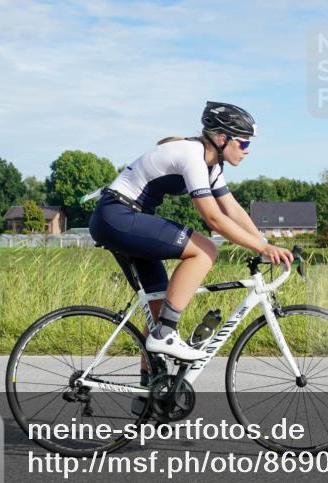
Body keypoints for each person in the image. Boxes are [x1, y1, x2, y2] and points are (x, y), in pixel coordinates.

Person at [88, 102, 294, 363]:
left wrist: (264, 244)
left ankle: (149, 392)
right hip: (118, 215)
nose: (247, 150)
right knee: (206, 249)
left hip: (123, 218)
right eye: (243, 143)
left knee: (159, 305)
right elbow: (213, 218)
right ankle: (165, 334)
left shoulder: (212, 165)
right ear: (222, 138)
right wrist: (262, 248)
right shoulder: (192, 156)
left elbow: (232, 208)